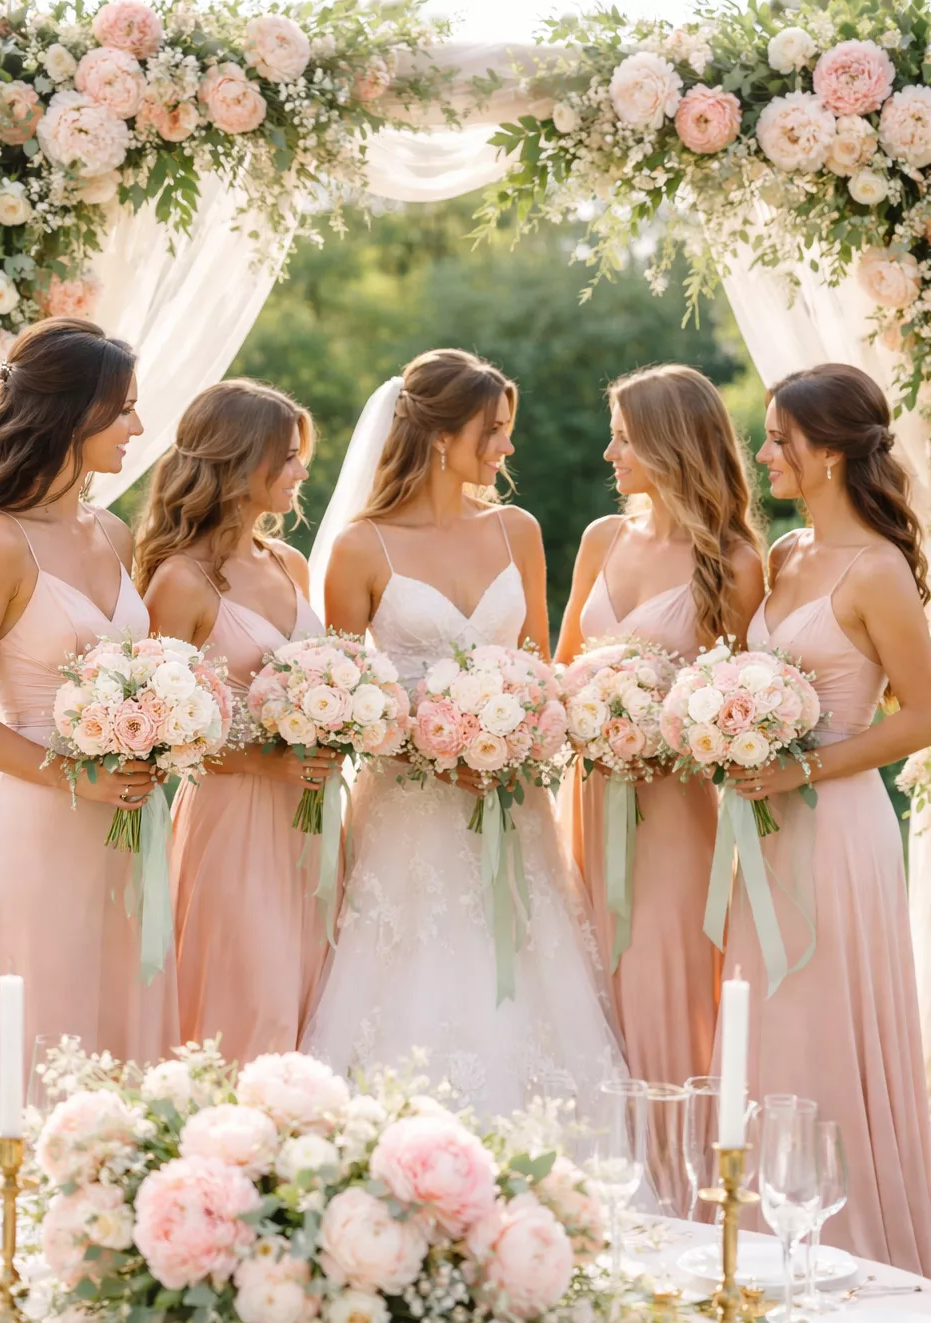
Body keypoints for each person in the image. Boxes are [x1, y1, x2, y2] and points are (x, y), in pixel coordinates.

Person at [302, 349, 625, 1118]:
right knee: (412, 981)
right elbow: (347, 700)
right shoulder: (361, 547)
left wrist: (516, 733)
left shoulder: (517, 529)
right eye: (493, 431)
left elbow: (538, 665)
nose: (506, 449)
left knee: (525, 980)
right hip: (409, 812)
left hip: (512, 806)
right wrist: (431, 747)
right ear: (441, 437)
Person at [0, 317, 177, 1181]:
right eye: (123, 411)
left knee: (113, 1029)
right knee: (38, 1032)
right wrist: (76, 775)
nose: (138, 429)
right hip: (35, 827)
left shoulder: (110, 534)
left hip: (126, 830)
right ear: (70, 414)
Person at [725, 362, 931, 1273]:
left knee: (828, 1025)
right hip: (764, 838)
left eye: (780, 437)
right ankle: (766, 1241)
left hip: (838, 831)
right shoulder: (785, 557)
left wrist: (799, 769)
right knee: (766, 1025)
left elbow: (924, 714)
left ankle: (852, 1251)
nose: (764, 452)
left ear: (833, 452)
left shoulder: (879, 570)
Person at [556, 365, 765, 1085]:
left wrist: (658, 729)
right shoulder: (601, 538)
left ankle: (678, 1176)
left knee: (659, 980)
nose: (611, 455)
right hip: (584, 796)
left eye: (625, 440)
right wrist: (589, 713)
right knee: (585, 986)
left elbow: (740, 713)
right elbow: (561, 669)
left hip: (673, 807)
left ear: (670, 445)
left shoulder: (733, 563)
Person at [138, 379, 339, 1061]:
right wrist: (264, 760)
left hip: (309, 820)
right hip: (233, 820)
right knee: (249, 1005)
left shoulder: (289, 563)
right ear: (235, 460)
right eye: (285, 457)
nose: (301, 471)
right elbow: (161, 734)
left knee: (310, 995)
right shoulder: (182, 580)